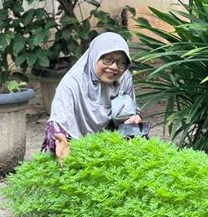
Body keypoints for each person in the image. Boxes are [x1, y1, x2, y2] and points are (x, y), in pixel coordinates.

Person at [42, 32, 142, 166]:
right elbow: (57, 121)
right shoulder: (73, 82)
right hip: (75, 143)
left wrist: (132, 119)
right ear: (95, 56)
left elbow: (129, 112)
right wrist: (62, 141)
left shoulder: (124, 78)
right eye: (107, 59)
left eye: (121, 62)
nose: (114, 67)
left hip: (111, 139)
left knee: (138, 142)